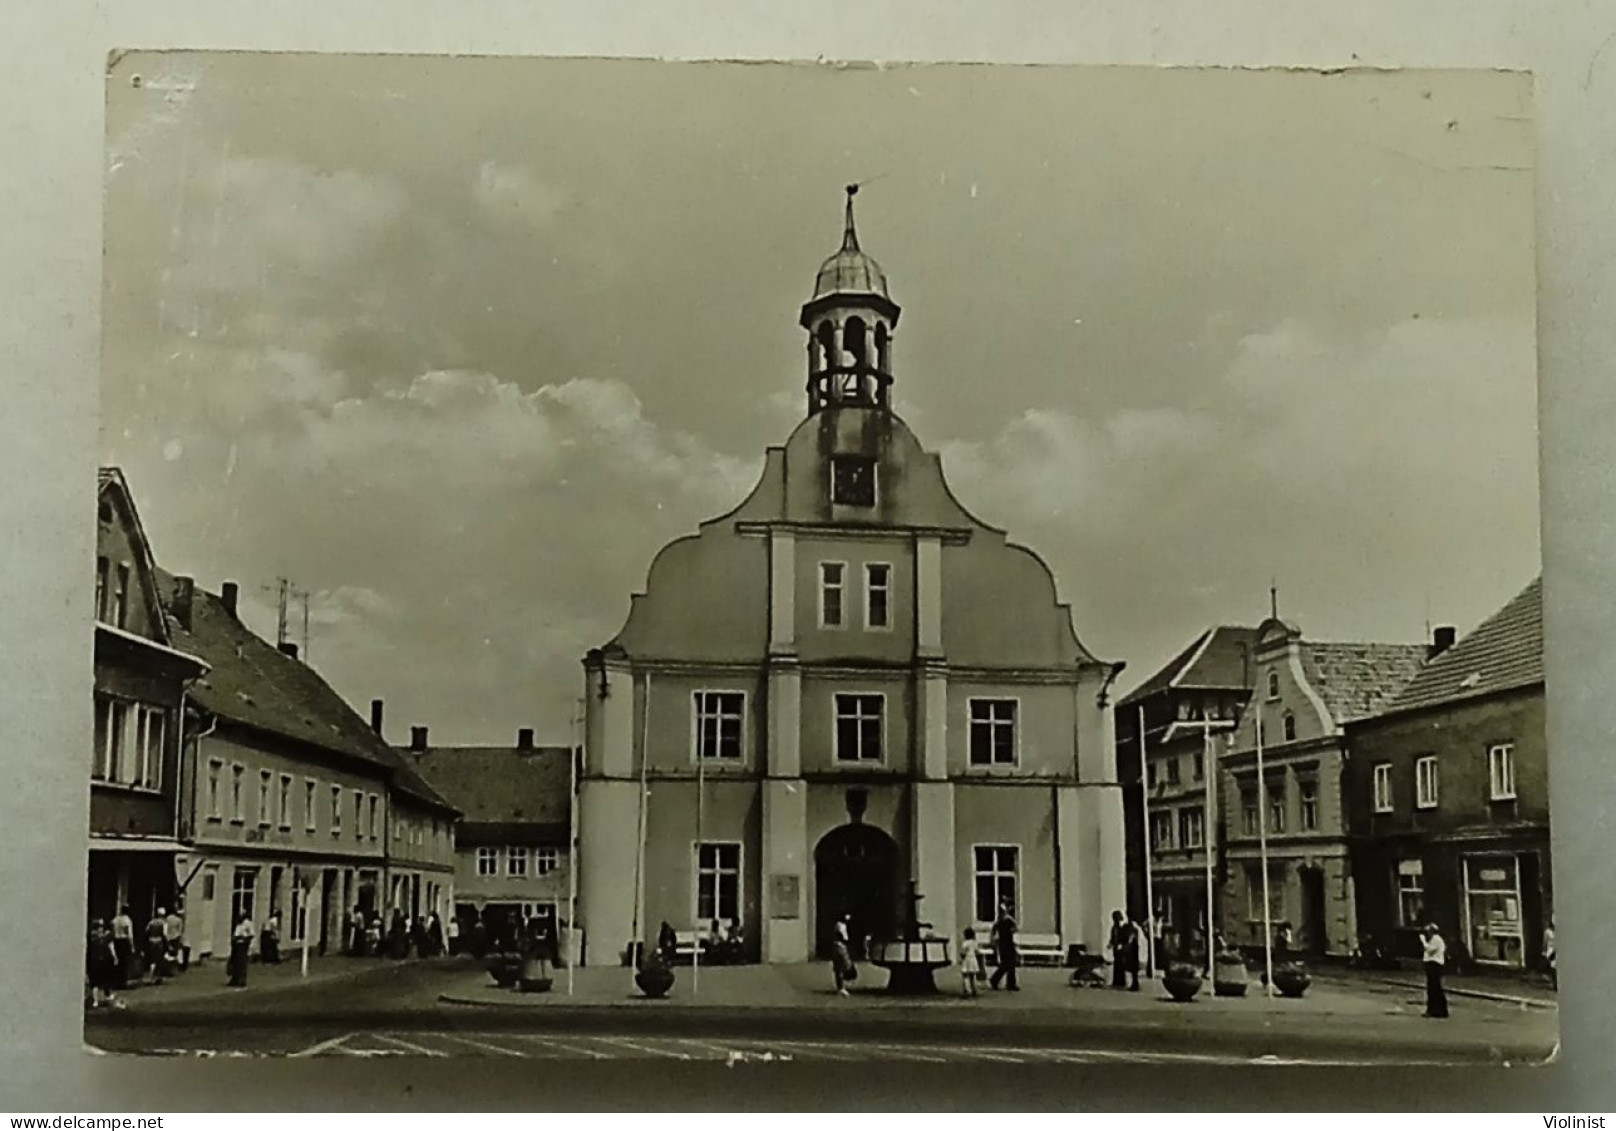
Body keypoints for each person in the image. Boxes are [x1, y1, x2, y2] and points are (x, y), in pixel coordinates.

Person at [86, 920, 123, 1009]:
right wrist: (115, 958)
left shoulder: (89, 937)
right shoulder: (106, 937)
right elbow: (111, 947)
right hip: (105, 959)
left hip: (93, 960)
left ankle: (95, 1001)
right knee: (106, 978)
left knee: (94, 982)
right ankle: (108, 995)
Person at [989, 900, 1020, 991]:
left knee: (1007, 964)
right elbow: (1015, 929)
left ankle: (1005, 982)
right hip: (1008, 944)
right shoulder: (1008, 920)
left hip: (1002, 944)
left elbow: (995, 931)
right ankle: (998, 980)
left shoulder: (999, 922)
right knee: (1009, 964)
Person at [1421, 922, 1449, 1018]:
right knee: (1433, 988)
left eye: (1428, 931)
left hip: (1434, 965)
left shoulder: (1436, 939)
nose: (1427, 934)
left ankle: (1437, 1010)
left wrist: (1423, 941)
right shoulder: (1435, 939)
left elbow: (1429, 950)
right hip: (1433, 965)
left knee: (1434, 988)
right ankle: (1435, 1010)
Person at [110, 905, 135, 990]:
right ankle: (123, 982)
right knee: (125, 962)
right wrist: (132, 946)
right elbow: (130, 934)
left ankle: (117, 981)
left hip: (116, 941)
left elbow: (112, 932)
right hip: (124, 941)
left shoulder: (115, 920)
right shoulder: (127, 920)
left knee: (117, 962)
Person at [831, 913, 856, 996]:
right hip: (840, 946)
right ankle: (841, 987)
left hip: (839, 946)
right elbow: (843, 937)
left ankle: (841, 987)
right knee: (842, 966)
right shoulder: (840, 925)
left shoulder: (841, 925)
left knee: (839, 967)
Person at [144, 908, 170, 983]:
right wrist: (167, 944)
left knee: (152, 960)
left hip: (151, 941)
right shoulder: (163, 923)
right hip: (159, 942)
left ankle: (151, 976)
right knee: (159, 960)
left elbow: (146, 932)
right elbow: (164, 934)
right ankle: (158, 977)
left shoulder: (151, 922)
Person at [227, 913, 254, 988]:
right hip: (236, 944)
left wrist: (244, 940)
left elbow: (251, 934)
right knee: (235, 962)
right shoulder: (238, 924)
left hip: (242, 944)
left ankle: (241, 980)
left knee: (241, 963)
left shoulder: (247, 923)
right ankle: (234, 979)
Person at [1108, 910, 1132, 989]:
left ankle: (1121, 982)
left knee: (1120, 965)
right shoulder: (1114, 927)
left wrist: (1121, 944)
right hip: (1116, 948)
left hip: (1120, 948)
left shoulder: (1121, 927)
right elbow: (1113, 937)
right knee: (1117, 964)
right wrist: (1111, 944)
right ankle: (1117, 981)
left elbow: (1124, 937)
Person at [959, 927, 983, 998]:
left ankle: (966, 990)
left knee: (965, 975)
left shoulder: (965, 943)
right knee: (972, 976)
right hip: (973, 959)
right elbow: (977, 952)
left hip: (967, 959)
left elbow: (963, 952)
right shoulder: (975, 943)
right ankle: (974, 990)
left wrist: (961, 959)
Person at [164, 905, 186, 972]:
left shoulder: (167, 919)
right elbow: (180, 931)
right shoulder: (178, 920)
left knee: (167, 953)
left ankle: (167, 967)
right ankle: (174, 968)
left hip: (167, 937)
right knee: (175, 953)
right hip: (175, 937)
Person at [1543, 915, 1557, 990]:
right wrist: (1544, 952)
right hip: (1552, 950)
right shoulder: (1548, 932)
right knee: (1553, 967)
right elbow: (1545, 942)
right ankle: (1555, 984)